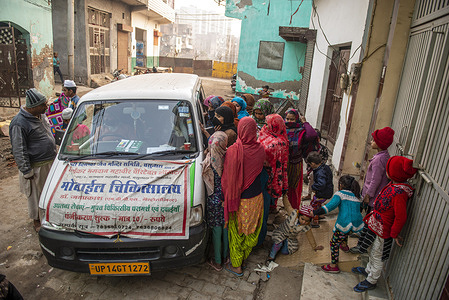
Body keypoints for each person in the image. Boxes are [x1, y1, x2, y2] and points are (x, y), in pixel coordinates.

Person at [353, 156, 417, 293]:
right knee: (373, 250)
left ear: (394, 172)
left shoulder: (400, 193)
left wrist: (394, 233)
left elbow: (401, 217)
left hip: (384, 230)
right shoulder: (394, 185)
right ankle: (369, 270)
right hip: (378, 226)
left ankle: (372, 280)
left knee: (378, 253)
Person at [221, 117, 266, 277]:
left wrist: (224, 197)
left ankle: (236, 266)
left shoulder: (233, 150)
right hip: (256, 198)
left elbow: (227, 179)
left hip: (239, 200)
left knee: (236, 232)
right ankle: (244, 258)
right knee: (251, 230)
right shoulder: (260, 149)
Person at [9, 88, 57, 232]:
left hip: (48, 162)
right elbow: (18, 148)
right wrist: (26, 170)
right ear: (34, 106)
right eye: (44, 105)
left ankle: (47, 217)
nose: (46, 107)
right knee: (35, 196)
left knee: (47, 192)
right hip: (36, 166)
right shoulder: (19, 123)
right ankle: (37, 221)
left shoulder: (40, 116)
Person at [350, 127, 394, 254]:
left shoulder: (380, 160)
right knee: (367, 220)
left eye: (374, 141)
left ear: (380, 143)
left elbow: (375, 180)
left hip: (374, 198)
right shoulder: (382, 156)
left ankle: (362, 246)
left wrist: (368, 194)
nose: (371, 142)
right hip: (374, 196)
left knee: (371, 223)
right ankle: (361, 239)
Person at [313, 175, 364, 273]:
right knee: (346, 232)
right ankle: (344, 246)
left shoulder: (340, 194)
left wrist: (315, 212)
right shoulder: (358, 195)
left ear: (341, 185)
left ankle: (333, 265)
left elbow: (329, 207)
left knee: (334, 243)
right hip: (357, 223)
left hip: (345, 222)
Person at [257, 114, 289, 246]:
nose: (265, 125)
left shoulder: (279, 143)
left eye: (268, 123)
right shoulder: (265, 133)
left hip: (269, 175)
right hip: (261, 175)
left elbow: (278, 164)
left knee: (265, 202)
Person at [202, 131, 229, 272]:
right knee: (225, 227)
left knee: (216, 230)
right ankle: (226, 257)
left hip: (214, 200)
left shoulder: (210, 161)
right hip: (226, 199)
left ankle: (217, 261)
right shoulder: (229, 157)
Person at [267, 197, 323, 262]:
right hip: (281, 232)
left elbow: (310, 236)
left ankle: (282, 243)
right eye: (302, 219)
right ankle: (271, 257)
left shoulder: (306, 226)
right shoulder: (293, 213)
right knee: (277, 243)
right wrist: (285, 195)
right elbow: (287, 205)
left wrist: (314, 246)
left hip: (290, 238)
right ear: (299, 215)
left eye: (307, 221)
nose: (304, 222)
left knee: (285, 252)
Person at [285, 109, 318, 209]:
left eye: (292, 119)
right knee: (283, 186)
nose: (289, 121)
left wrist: (305, 122)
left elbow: (312, 135)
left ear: (297, 119)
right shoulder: (282, 128)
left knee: (293, 187)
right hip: (284, 163)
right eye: (287, 119)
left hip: (295, 163)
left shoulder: (301, 131)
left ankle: (293, 208)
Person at [306, 151, 334, 228]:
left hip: (323, 192)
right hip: (328, 190)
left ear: (313, 164)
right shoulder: (325, 167)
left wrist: (314, 187)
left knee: (314, 204)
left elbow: (321, 184)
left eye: (310, 164)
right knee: (318, 202)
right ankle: (321, 214)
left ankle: (315, 221)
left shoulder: (320, 172)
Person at [303, 128, 328, 201]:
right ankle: (309, 194)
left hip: (319, 168)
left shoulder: (323, 149)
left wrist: (318, 165)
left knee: (316, 180)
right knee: (311, 180)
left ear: (319, 139)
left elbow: (325, 158)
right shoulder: (309, 148)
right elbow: (305, 157)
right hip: (311, 168)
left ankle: (315, 195)